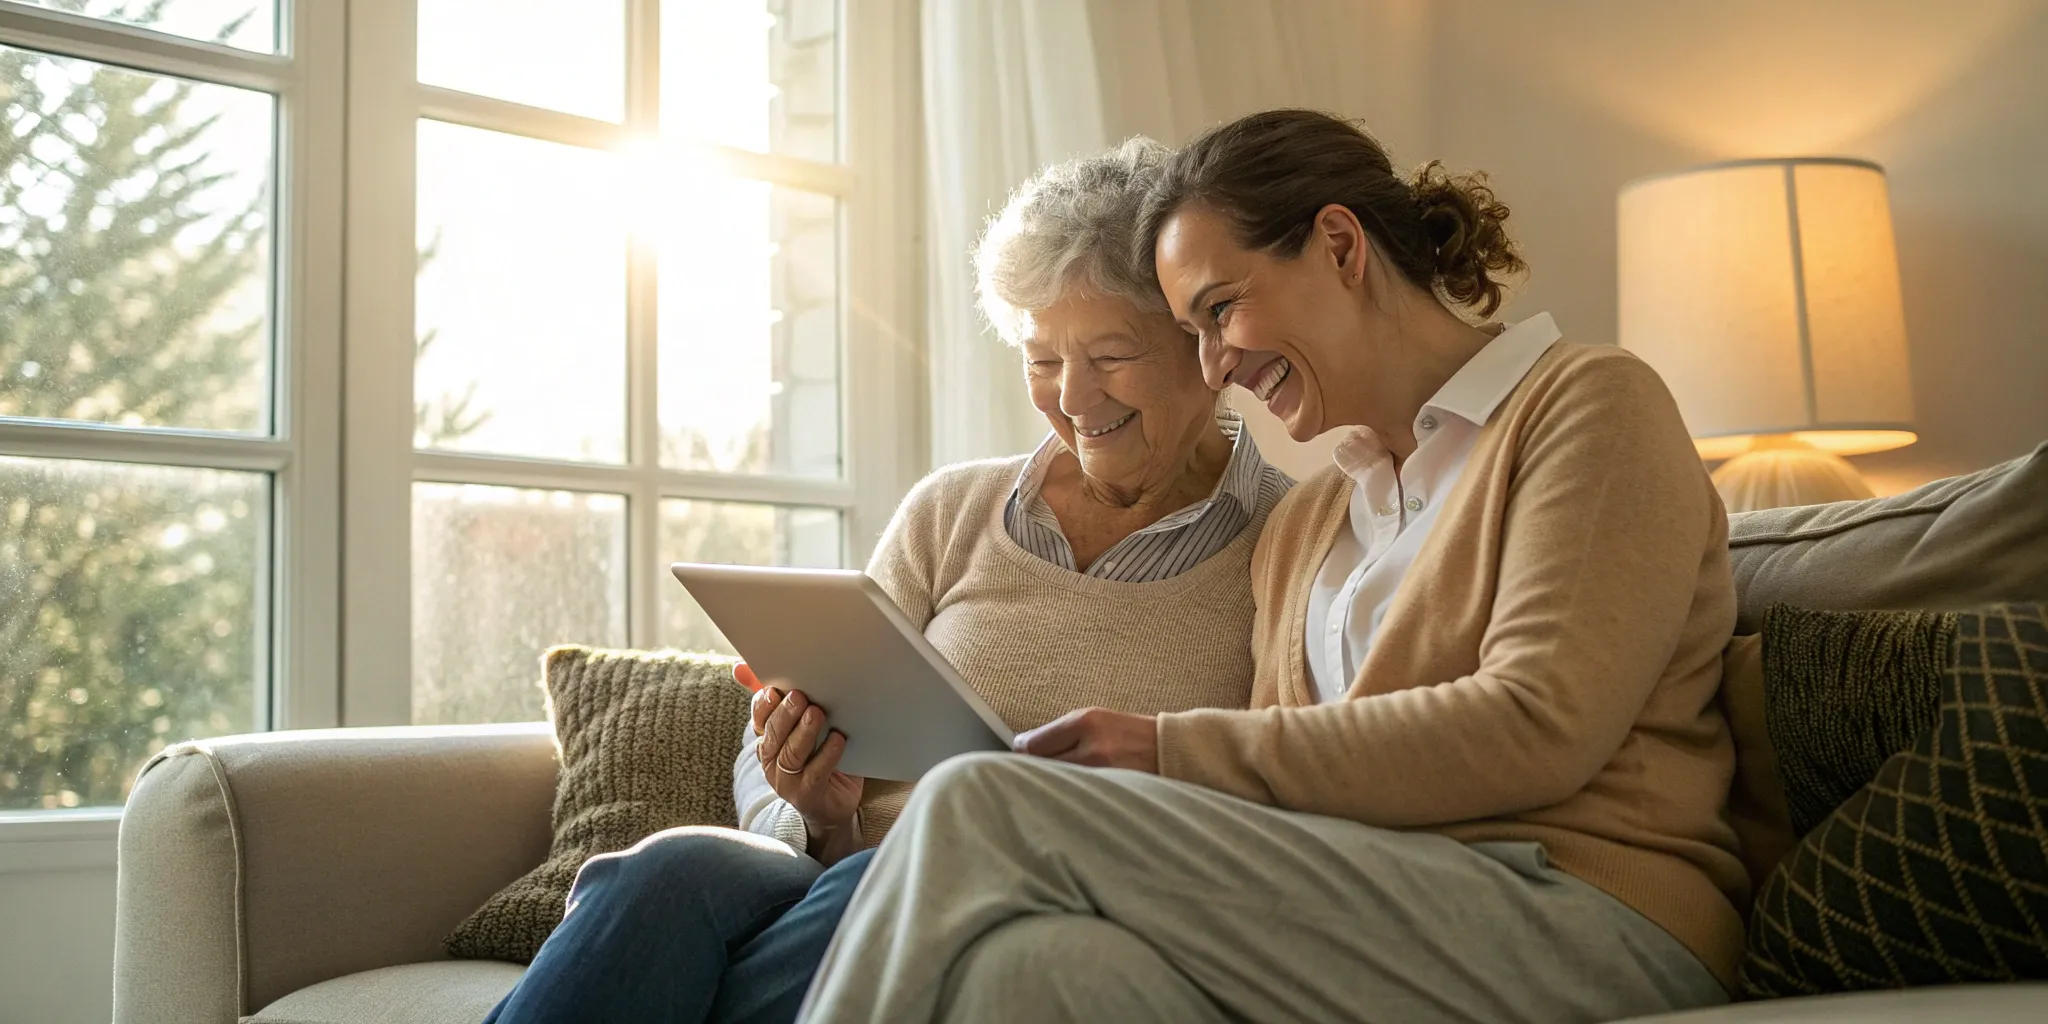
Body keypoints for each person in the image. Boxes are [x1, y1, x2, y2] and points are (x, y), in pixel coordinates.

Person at [797, 109, 1747, 1024]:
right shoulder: (1310, 524)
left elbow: (1539, 724)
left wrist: (1167, 751)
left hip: (1587, 911)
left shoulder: (1585, 407)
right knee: (1034, 970)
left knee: (981, 799)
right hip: (1359, 907)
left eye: (1220, 310)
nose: (1214, 367)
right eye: (1192, 332)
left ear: (1339, 247)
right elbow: (1295, 798)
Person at [483, 137, 1291, 1024]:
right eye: (1042, 359)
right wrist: (813, 806)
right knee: (671, 866)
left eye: (1109, 356)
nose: (1072, 397)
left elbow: (1280, 792)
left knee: (920, 860)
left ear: (1201, 345)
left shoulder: (1286, 541)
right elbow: (778, 751)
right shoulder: (953, 511)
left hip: (1050, 896)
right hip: (837, 876)